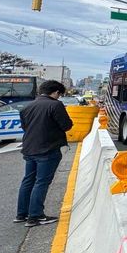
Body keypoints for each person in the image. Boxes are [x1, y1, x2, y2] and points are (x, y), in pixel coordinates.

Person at [15, 80, 74, 227]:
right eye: (59, 94)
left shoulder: (27, 106)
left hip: (29, 148)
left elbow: (25, 127)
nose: (59, 97)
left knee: (28, 180)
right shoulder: (55, 105)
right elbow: (66, 125)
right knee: (41, 182)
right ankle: (35, 216)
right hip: (48, 148)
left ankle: (21, 214)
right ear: (56, 92)